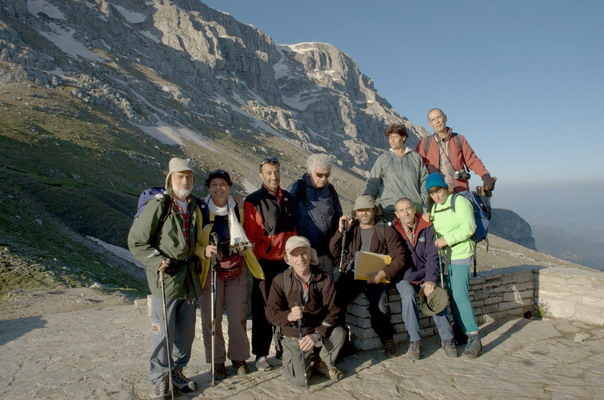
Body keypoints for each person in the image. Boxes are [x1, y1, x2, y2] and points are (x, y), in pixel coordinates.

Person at [128, 158, 202, 398]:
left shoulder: (195, 206)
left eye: (189, 177)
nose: (185, 181)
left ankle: (177, 371)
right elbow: (137, 241)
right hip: (166, 278)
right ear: (170, 179)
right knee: (163, 333)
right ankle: (160, 378)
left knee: (186, 331)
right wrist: (156, 261)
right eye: (180, 177)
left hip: (189, 279)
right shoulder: (160, 205)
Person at [197, 170, 264, 379]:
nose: (219, 188)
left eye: (223, 184)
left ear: (229, 186)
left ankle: (239, 358)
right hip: (211, 270)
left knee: (237, 316)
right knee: (212, 318)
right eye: (214, 184)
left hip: (237, 267)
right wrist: (203, 251)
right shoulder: (200, 209)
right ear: (209, 187)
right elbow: (192, 241)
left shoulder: (239, 208)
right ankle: (217, 362)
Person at [329, 195, 407, 358]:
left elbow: (400, 256)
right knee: (336, 300)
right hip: (354, 275)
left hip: (377, 275)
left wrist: (383, 273)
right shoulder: (352, 228)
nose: (364, 213)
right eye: (360, 210)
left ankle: (387, 339)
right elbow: (334, 251)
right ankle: (343, 342)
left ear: (374, 211)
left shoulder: (385, 229)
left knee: (379, 306)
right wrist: (340, 232)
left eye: (367, 210)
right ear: (356, 212)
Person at [266, 236, 345, 387]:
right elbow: (271, 313)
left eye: (304, 253)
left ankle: (321, 361)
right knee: (301, 381)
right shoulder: (280, 281)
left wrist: (316, 335)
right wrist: (289, 315)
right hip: (294, 336)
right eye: (295, 255)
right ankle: (298, 359)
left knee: (339, 333)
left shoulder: (325, 279)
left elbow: (333, 312)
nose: (300, 259)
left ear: (310, 255)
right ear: (288, 259)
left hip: (316, 332)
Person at [243, 157, 297, 371]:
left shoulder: (288, 199)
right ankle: (261, 354)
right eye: (269, 173)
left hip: (287, 264)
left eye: (276, 172)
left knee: (287, 306)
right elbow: (251, 237)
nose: (273, 176)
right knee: (263, 309)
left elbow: (294, 231)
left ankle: (284, 348)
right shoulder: (253, 201)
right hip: (264, 264)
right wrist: (258, 264)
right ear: (261, 176)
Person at [392, 197, 458, 359]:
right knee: (408, 297)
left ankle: (448, 339)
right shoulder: (393, 230)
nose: (406, 213)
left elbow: (432, 256)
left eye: (408, 208)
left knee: (433, 294)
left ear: (414, 209)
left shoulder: (426, 227)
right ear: (397, 214)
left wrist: (431, 280)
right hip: (404, 276)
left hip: (425, 274)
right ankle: (414, 341)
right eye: (401, 210)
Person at [425, 172, 482, 358]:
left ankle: (474, 336)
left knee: (459, 295)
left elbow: (469, 227)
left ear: (445, 188)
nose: (436, 196)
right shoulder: (435, 208)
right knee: (452, 295)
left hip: (461, 255)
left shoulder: (459, 202)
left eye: (438, 191)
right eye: (432, 193)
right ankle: (462, 331)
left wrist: (446, 240)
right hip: (445, 259)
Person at [416, 108, 496, 194]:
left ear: (445, 117)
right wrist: (429, 167)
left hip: (460, 190)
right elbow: (417, 163)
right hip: (437, 193)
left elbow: (472, 160)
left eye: (439, 117)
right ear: (430, 124)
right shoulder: (425, 143)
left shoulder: (459, 139)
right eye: (433, 120)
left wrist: (485, 175)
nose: (437, 121)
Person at [288, 154, 343, 276]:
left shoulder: (330, 190)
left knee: (326, 288)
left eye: (327, 175)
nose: (323, 179)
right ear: (309, 171)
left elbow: (338, 216)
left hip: (326, 253)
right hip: (303, 254)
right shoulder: (297, 188)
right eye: (319, 175)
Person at [363, 124, 428, 222]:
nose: (392, 140)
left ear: (403, 137)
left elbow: (425, 181)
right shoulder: (383, 159)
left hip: (413, 209)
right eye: (390, 137)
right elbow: (373, 184)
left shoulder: (416, 158)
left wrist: (422, 200)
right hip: (390, 211)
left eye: (395, 137)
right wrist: (365, 203)